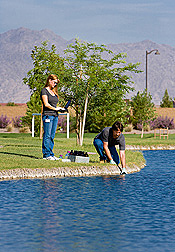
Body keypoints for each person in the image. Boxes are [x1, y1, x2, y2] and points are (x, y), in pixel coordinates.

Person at [41, 74, 66, 160]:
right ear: (49, 80)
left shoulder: (54, 92)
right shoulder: (44, 91)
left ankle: (51, 154)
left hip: (55, 115)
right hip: (48, 115)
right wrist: (56, 108)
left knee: (52, 135)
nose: (55, 84)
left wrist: (60, 109)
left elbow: (54, 104)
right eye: (54, 82)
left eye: (56, 83)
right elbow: (46, 104)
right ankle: (46, 155)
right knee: (47, 135)